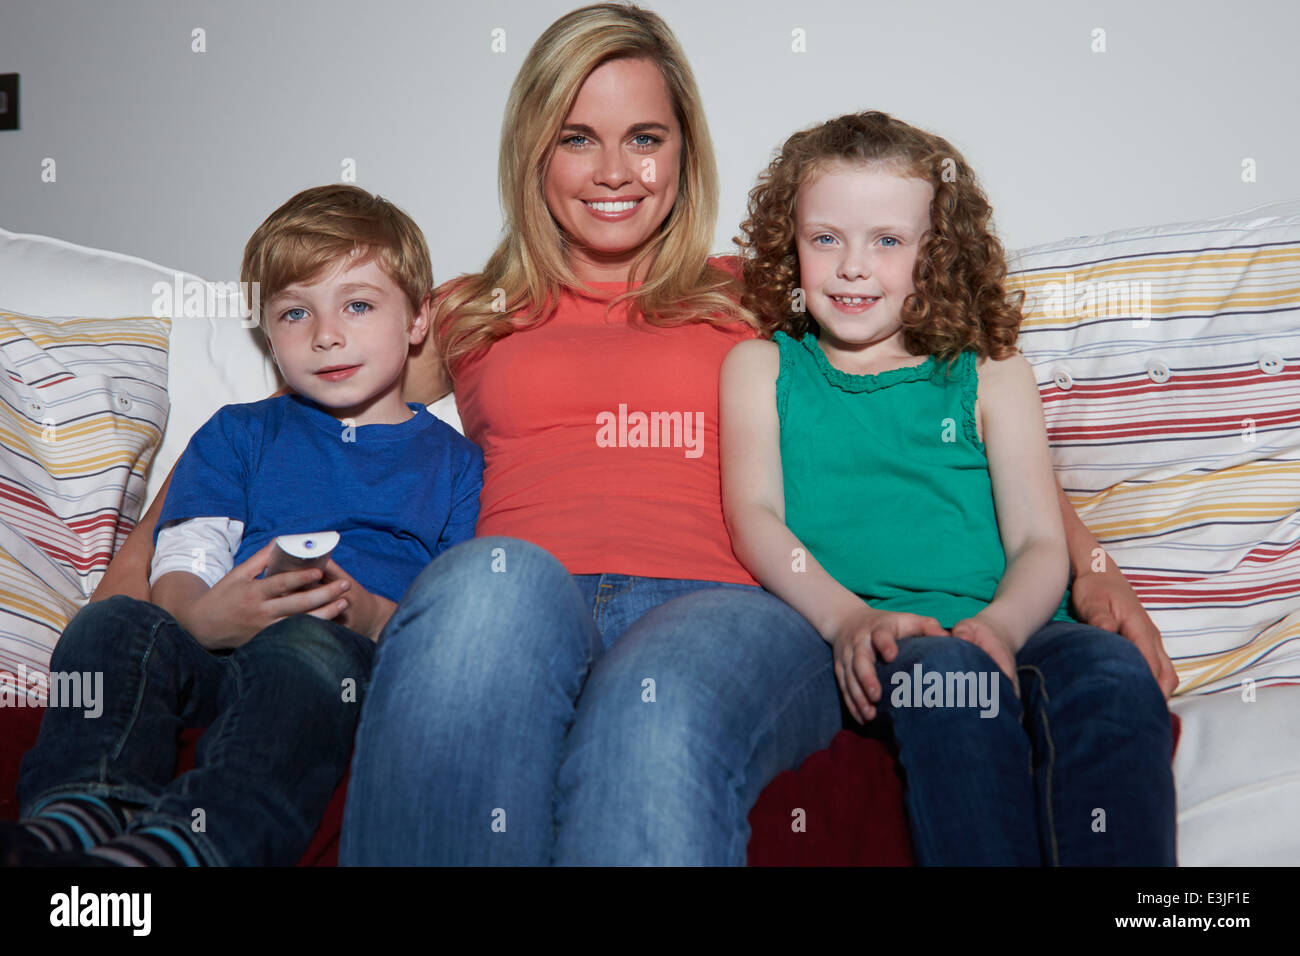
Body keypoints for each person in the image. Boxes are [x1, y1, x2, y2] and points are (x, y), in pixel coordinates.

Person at [337, 4, 1173, 866]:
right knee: (480, 586)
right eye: (577, 137)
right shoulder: (471, 309)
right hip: (523, 593)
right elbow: (301, 403)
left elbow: (945, 420)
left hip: (715, 604)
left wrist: (1098, 572)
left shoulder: (764, 291)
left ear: (684, 151)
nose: (614, 171)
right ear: (532, 151)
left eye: (646, 137)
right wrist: (189, 559)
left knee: (653, 719)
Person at [721, 110, 1176, 865]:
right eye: (824, 238)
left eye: (888, 241)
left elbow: (1038, 540)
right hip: (879, 638)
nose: (853, 267)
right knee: (948, 677)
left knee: (1111, 673)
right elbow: (756, 518)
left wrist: (999, 627)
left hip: (1018, 628)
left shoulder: (991, 372)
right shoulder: (763, 370)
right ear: (789, 243)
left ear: (936, 253)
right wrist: (847, 621)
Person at [1, 185, 483, 866]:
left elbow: (461, 618)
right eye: (295, 313)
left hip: (339, 669)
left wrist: (372, 614)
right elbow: (188, 550)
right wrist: (200, 616)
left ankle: (188, 844)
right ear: (267, 334)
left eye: (358, 305)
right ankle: (75, 816)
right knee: (111, 624)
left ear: (416, 320)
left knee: (305, 646)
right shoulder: (240, 433)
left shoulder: (458, 465)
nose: (326, 334)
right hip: (217, 655)